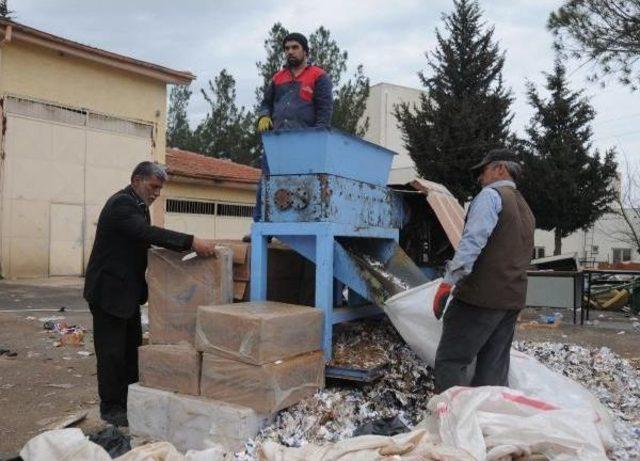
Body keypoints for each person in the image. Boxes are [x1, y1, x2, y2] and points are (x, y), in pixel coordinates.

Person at [84, 161, 217, 426]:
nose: (157, 193)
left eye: (160, 189)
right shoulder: (121, 204)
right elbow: (146, 233)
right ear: (136, 180)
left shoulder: (139, 207)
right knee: (111, 353)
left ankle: (129, 400)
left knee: (131, 350)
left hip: (128, 293)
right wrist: (190, 242)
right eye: (153, 186)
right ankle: (111, 407)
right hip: (109, 292)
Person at [432, 148, 535, 393]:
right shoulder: (524, 207)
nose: (479, 177)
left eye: (483, 170)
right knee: (493, 369)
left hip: (480, 298)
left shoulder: (490, 196)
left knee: (451, 360)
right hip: (511, 299)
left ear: (500, 168)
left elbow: (472, 242)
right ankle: (487, 422)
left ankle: (450, 419)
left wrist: (448, 282)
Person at [251, 32, 334, 225]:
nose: (290, 52)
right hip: (277, 141)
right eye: (287, 48)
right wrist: (264, 115)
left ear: (305, 51)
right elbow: (266, 103)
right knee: (266, 182)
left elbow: (325, 110)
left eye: (295, 47)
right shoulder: (277, 78)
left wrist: (318, 139)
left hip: (305, 142)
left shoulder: (319, 76)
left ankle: (309, 222)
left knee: (304, 183)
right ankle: (261, 225)